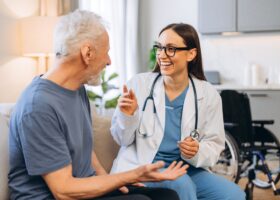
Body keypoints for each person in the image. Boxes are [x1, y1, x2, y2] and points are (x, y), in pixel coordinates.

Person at [8, 10, 189, 200]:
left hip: (83, 190)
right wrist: (129, 175)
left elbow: (85, 151)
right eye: (106, 52)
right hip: (54, 196)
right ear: (87, 53)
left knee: (166, 196)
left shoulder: (76, 88)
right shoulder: (38, 106)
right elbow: (63, 190)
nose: (109, 61)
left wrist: (111, 181)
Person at [110, 23, 246, 200]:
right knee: (181, 184)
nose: (162, 55)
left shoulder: (208, 94)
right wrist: (127, 116)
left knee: (234, 194)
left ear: (191, 54)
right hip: (146, 167)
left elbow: (214, 144)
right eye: (159, 48)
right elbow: (122, 139)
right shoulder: (138, 85)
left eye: (171, 49)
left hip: (189, 168)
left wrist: (196, 150)